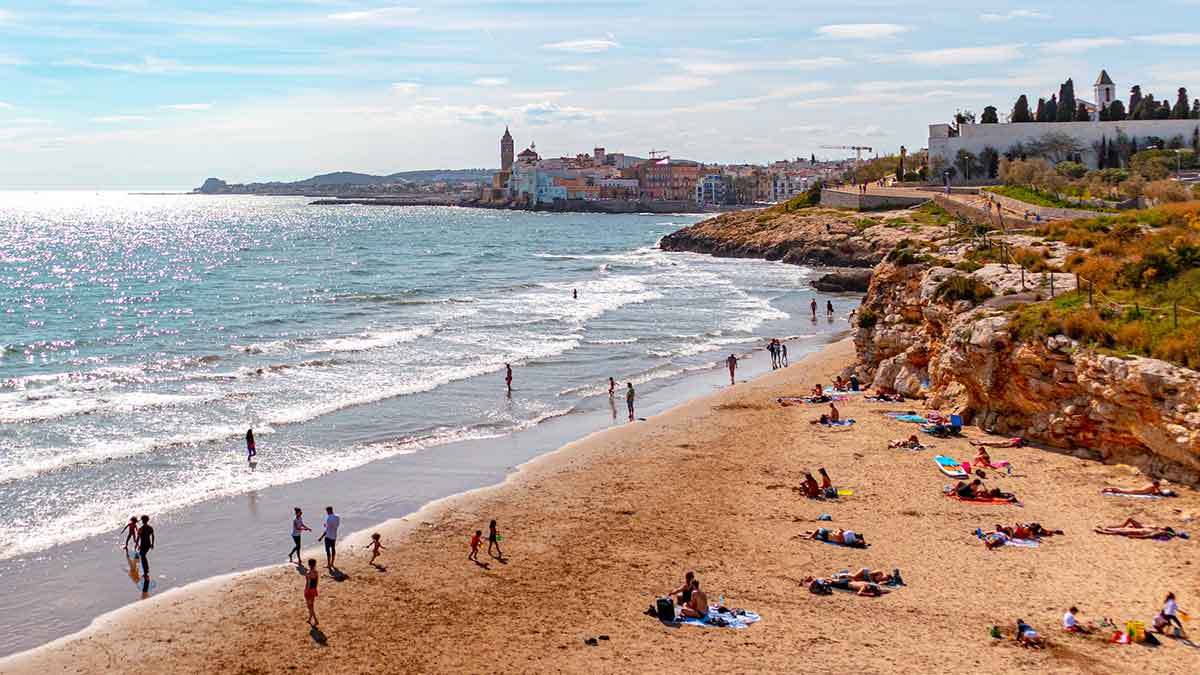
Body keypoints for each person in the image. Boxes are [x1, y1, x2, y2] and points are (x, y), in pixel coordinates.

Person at [1093, 517, 1177, 539]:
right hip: (1140, 529)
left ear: (1165, 530)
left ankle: (1104, 531)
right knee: (1123, 530)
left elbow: (1148, 536)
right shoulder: (1157, 529)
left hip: (1140, 532)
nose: (1162, 527)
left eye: (1163, 527)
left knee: (1121, 531)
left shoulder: (1159, 532)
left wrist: (1136, 537)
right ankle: (1105, 529)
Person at [137, 515, 154, 593]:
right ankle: (146, 571)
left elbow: (138, 538)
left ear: (142, 521)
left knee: (143, 556)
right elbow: (153, 536)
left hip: (143, 545)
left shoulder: (140, 529)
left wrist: (137, 545)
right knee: (143, 556)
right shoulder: (150, 528)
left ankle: (146, 572)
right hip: (148, 545)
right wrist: (152, 544)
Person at [303, 558, 319, 626]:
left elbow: (308, 583)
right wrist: (315, 589)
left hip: (309, 590)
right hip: (314, 589)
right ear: (315, 564)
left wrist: (307, 591)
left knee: (309, 606)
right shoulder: (316, 572)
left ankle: (315, 620)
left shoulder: (308, 573)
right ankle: (309, 619)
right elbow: (317, 582)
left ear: (309, 564)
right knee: (312, 605)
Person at [1101, 480, 1169, 496]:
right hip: (1137, 491)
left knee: (1122, 490)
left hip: (1136, 490)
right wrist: (1159, 490)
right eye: (1158, 485)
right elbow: (1156, 493)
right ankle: (1108, 489)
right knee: (1122, 491)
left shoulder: (1150, 485)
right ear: (1156, 485)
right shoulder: (1153, 487)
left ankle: (1108, 489)